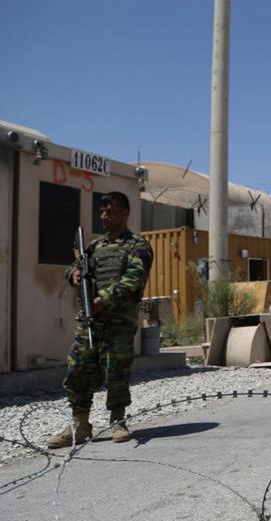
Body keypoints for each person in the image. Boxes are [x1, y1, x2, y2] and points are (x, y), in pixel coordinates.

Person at [46, 191, 154, 448]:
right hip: (89, 320)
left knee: (116, 371)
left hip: (118, 321)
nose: (104, 216)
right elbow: (73, 267)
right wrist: (72, 275)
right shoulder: (94, 247)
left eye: (111, 211)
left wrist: (103, 299)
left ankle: (118, 420)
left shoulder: (137, 246)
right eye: (102, 211)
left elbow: (133, 280)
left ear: (125, 213)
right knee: (78, 370)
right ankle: (79, 424)